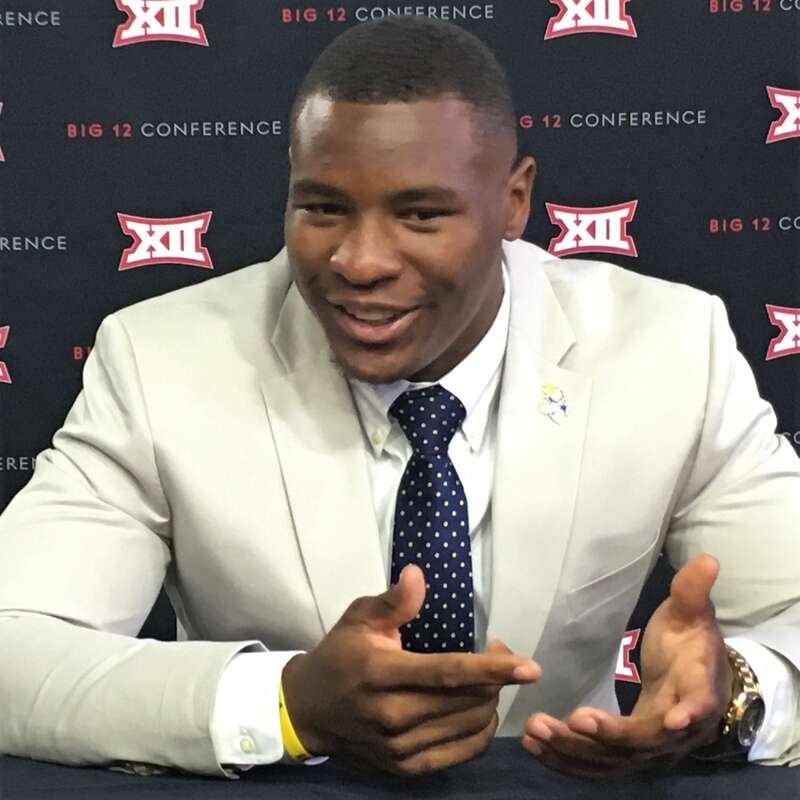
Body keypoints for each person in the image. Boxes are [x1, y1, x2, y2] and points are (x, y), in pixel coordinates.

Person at [0, 17, 799, 781]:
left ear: (514, 201)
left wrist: (732, 694)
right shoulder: (160, 360)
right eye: (323, 208)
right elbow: (12, 650)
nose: (360, 261)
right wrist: (287, 704)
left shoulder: (668, 348)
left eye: (420, 214)